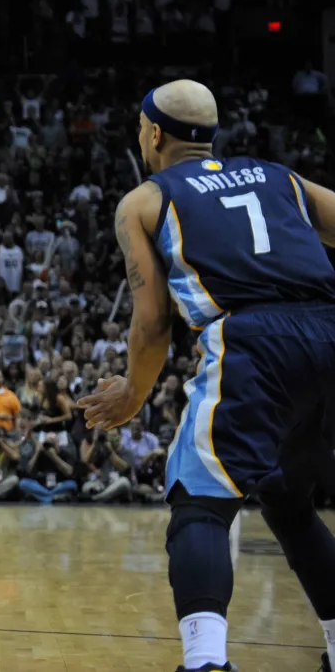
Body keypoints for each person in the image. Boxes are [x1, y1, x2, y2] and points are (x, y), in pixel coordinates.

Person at [78, 79, 335, 672]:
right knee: (289, 505)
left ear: (153, 133)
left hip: (254, 341)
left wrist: (132, 393)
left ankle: (205, 663)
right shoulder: (280, 177)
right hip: (327, 333)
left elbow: (151, 325)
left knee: (198, 503)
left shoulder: (143, 200)